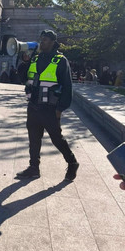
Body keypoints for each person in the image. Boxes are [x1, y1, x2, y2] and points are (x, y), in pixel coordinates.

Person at [16, 29, 79, 181]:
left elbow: (67, 86)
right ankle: (34, 168)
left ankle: (72, 163)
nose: (41, 41)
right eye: (41, 38)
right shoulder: (35, 58)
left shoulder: (60, 60)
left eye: (44, 39)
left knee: (57, 139)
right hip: (33, 106)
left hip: (50, 109)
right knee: (34, 139)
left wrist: (60, 109)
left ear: (52, 42)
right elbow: (22, 78)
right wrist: (25, 61)